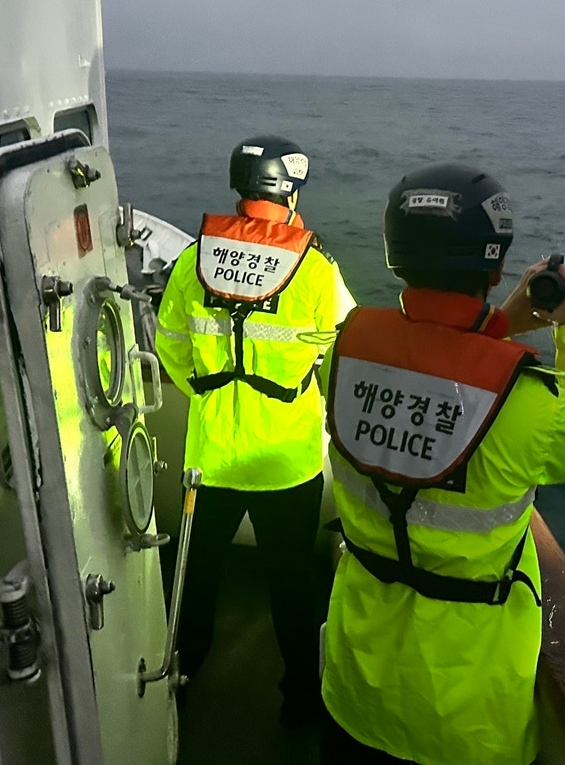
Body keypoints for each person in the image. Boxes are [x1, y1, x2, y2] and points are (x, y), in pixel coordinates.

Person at [319, 162, 565, 764]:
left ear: (394, 255)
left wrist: (499, 325)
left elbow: (432, 358)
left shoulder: (347, 352)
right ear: (494, 267)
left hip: (354, 686)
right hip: (464, 717)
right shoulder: (527, 403)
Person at [155, 135, 353, 725]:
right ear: (289, 193)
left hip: (209, 455)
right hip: (286, 461)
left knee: (194, 579)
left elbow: (168, 343)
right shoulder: (315, 269)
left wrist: (209, 397)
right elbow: (346, 347)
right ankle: (300, 698)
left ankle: (180, 682)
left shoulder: (195, 260)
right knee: (292, 586)